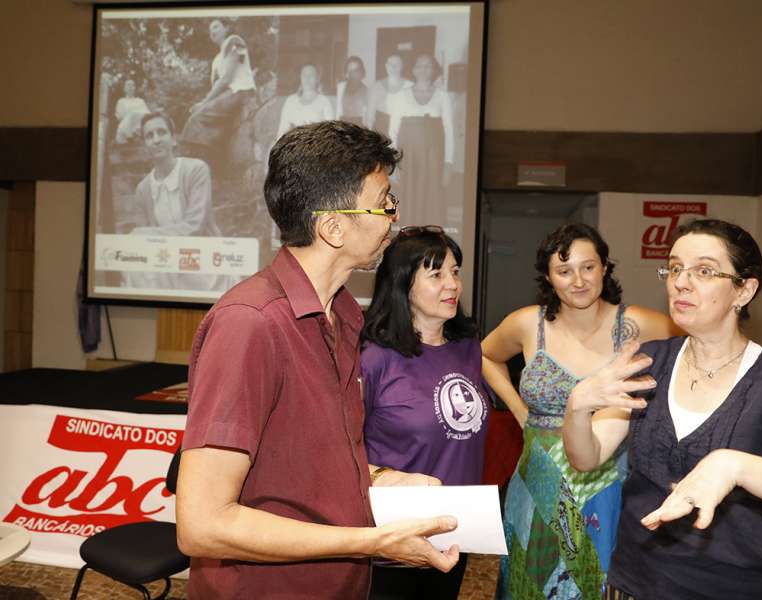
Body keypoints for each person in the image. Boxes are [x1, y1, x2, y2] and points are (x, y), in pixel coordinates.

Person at [176, 121, 460, 600]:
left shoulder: (345, 313)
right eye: (384, 202)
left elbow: (306, 456)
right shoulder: (250, 324)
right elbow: (202, 525)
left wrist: (380, 478)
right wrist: (373, 541)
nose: (393, 216)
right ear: (333, 227)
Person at [562, 219, 762, 600]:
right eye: (674, 268)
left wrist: (734, 466)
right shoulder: (649, 362)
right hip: (634, 582)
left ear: (744, 290)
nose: (681, 282)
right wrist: (577, 407)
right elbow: (586, 457)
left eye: (704, 271)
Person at [483, 223, 679, 599]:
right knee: (529, 583)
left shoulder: (638, 324)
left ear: (604, 267)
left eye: (588, 267)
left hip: (605, 480)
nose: (578, 281)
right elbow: (486, 356)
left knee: (595, 581)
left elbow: (697, 350)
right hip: (537, 480)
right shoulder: (528, 323)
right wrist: (519, 410)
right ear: (548, 276)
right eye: (564, 270)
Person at [361, 226, 488, 599]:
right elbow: (339, 447)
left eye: (455, 272)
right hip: (393, 541)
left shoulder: (467, 348)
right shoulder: (374, 358)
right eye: (436, 275)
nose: (452, 284)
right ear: (403, 285)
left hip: (454, 534)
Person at [122, 112, 235, 293]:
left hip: (202, 257)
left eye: (161, 132)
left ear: (173, 139)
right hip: (166, 262)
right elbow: (144, 242)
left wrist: (145, 234)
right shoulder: (143, 189)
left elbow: (195, 226)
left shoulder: (196, 170)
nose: (156, 140)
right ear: (145, 146)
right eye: (149, 136)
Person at [389, 55, 454, 227]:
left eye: (428, 65)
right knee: (409, 200)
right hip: (408, 158)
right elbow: (393, 130)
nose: (423, 68)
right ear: (413, 70)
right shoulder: (401, 96)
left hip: (433, 157)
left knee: (432, 200)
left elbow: (449, 131)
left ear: (434, 70)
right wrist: (394, 162)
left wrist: (448, 163)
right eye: (420, 65)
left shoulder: (442, 96)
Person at [181, 19, 256, 158]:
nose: (212, 31)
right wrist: (202, 103)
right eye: (210, 30)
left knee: (197, 118)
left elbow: (227, 79)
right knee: (197, 114)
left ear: (226, 28)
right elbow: (216, 86)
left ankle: (194, 159)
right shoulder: (216, 60)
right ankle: (208, 159)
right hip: (227, 95)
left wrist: (204, 104)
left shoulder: (234, 41)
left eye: (216, 27)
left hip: (239, 91)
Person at [276, 63, 334, 139]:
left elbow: (331, 132)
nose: (307, 78)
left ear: (317, 78)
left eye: (311, 75)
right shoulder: (290, 101)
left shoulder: (324, 101)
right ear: (300, 77)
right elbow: (282, 130)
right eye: (304, 75)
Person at [367, 54, 412, 140]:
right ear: (386, 66)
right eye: (390, 64)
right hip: (381, 129)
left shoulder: (410, 86)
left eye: (397, 64)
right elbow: (370, 115)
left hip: (402, 129)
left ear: (402, 66)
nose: (393, 67)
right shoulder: (376, 86)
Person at [114, 79, 149, 144]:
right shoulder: (121, 101)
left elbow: (146, 114)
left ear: (134, 88)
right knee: (131, 115)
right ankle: (131, 137)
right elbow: (120, 117)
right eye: (128, 85)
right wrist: (132, 116)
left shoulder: (140, 101)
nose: (130, 87)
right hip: (125, 128)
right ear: (124, 89)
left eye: (132, 85)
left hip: (139, 127)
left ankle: (137, 135)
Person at [336, 55, 369, 126]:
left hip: (358, 127)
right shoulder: (340, 87)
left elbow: (366, 118)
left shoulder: (367, 91)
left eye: (356, 70)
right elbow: (337, 111)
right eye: (350, 70)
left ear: (361, 72)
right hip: (342, 125)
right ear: (346, 73)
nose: (353, 73)